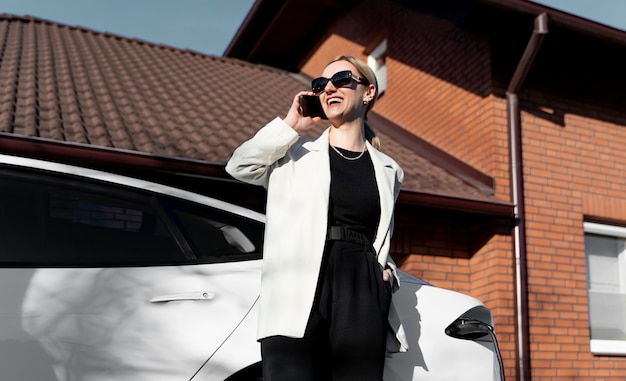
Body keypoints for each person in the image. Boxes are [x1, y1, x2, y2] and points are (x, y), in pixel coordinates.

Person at [225, 55, 407, 381]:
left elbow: (379, 234)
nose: (330, 88)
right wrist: (291, 125)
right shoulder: (294, 154)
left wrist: (387, 272)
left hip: (362, 285)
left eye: (342, 79)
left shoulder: (390, 169)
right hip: (299, 281)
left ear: (368, 92)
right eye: (321, 84)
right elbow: (240, 167)